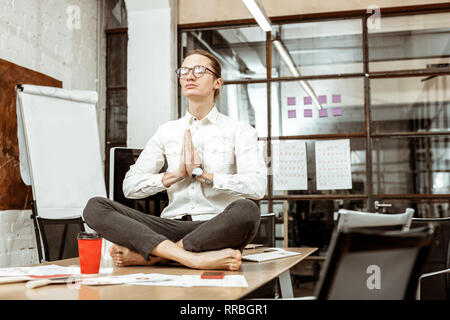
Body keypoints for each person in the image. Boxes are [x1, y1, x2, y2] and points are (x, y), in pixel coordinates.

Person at [83, 49, 267, 271]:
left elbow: (257, 187)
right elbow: (129, 187)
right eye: (184, 71)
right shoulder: (166, 131)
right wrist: (176, 174)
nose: (189, 76)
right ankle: (193, 258)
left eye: (200, 70)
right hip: (170, 226)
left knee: (247, 210)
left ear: (217, 83)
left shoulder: (239, 130)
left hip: (215, 228)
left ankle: (153, 257)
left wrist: (204, 175)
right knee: (95, 207)